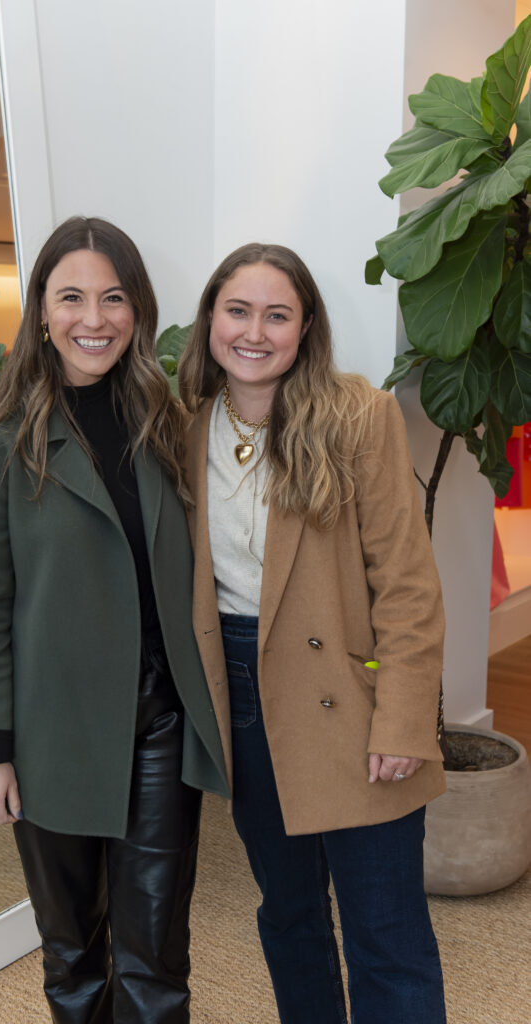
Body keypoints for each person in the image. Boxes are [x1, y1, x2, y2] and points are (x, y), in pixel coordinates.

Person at [0, 216, 229, 1024]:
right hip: (51, 730)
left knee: (155, 956)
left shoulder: (167, 424)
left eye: (113, 298)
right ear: (41, 310)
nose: (93, 319)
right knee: (72, 954)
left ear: (137, 310)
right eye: (71, 297)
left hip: (160, 718)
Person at [178, 242, 448, 1024]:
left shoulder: (358, 415)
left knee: (386, 932)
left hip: (350, 700)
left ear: (305, 329)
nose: (254, 332)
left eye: (277, 315)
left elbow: (406, 584)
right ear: (210, 319)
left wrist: (403, 719)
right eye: (237, 310)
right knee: (289, 914)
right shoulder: (182, 426)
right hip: (240, 692)